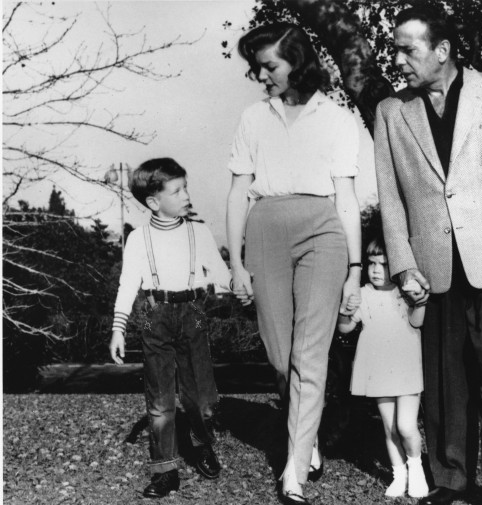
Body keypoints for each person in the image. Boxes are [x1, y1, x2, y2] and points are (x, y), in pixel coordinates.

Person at [374, 7, 482, 505]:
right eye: (395, 49)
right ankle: (450, 481)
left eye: (409, 49)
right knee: (445, 382)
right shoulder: (391, 111)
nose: (399, 59)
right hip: (432, 269)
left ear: (443, 50)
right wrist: (404, 264)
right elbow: (391, 199)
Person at [226, 23, 362, 505]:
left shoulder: (337, 118)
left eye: (270, 66)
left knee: (311, 353)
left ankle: (294, 470)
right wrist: (238, 263)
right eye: (256, 67)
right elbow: (239, 190)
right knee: (280, 355)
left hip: (322, 231)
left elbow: (346, 199)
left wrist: (356, 272)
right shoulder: (252, 117)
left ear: (298, 62)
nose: (261, 76)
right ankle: (309, 434)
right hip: (265, 228)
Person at [109, 158, 231, 498]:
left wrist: (240, 285)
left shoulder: (200, 231)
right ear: (154, 202)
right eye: (177, 190)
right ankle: (165, 471)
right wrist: (118, 328)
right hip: (155, 316)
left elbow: (220, 274)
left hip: (192, 313)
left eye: (185, 186)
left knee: (203, 399)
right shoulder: (139, 239)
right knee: (160, 402)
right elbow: (127, 285)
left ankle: (201, 443)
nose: (186, 194)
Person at [337, 237, 429, 499]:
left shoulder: (405, 292)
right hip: (378, 367)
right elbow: (345, 328)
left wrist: (420, 302)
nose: (376, 270)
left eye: (384, 264)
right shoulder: (363, 294)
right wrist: (345, 310)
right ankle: (399, 474)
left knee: (406, 426)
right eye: (371, 263)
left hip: (405, 366)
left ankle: (417, 470)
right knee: (389, 427)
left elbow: (416, 322)